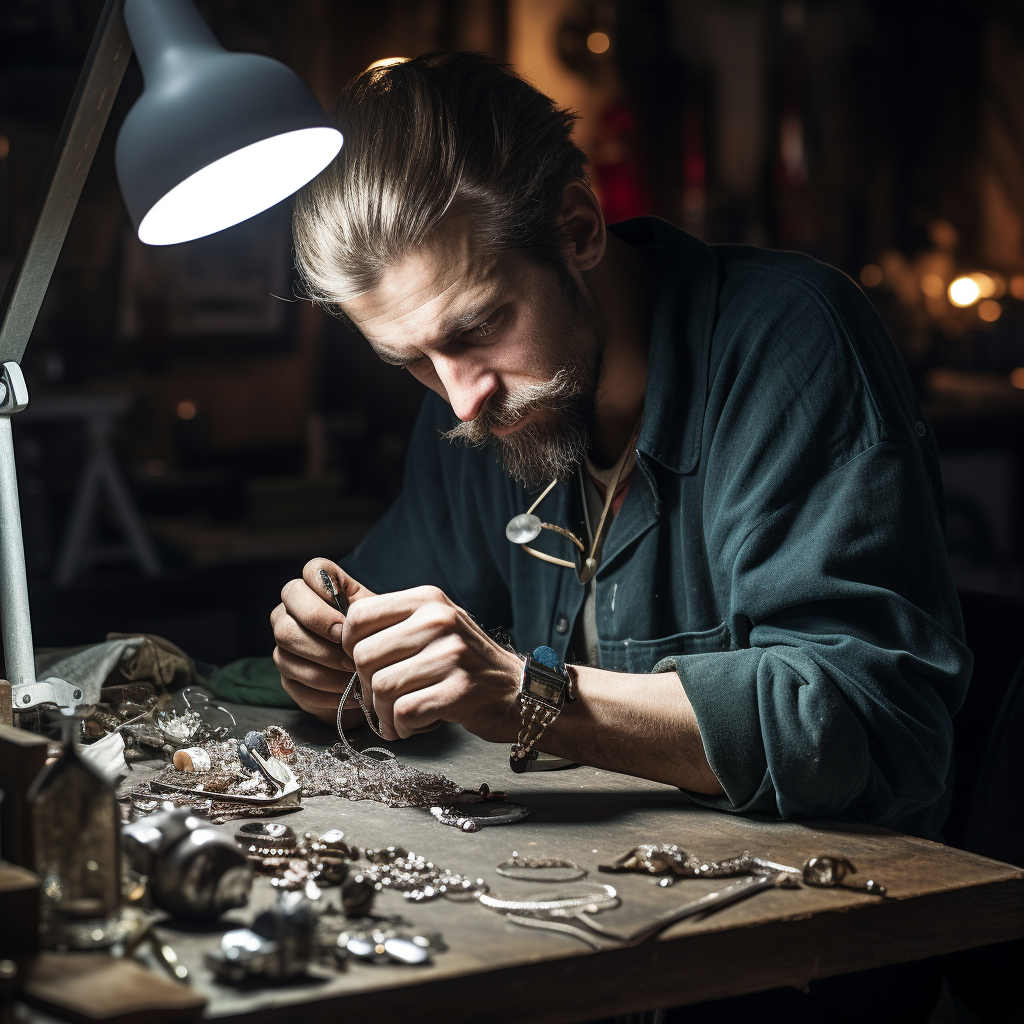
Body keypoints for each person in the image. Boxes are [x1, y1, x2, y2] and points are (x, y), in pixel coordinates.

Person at [271, 52, 970, 844]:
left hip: (824, 931)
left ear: (578, 228)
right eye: (413, 362)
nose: (462, 397)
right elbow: (392, 635)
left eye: (479, 327)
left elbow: (873, 725)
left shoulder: (792, 342)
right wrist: (337, 657)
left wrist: (529, 694)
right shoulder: (480, 405)